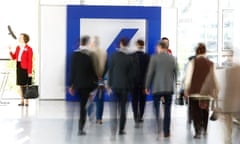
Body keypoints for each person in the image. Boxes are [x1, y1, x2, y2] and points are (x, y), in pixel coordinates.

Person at [145, 41, 177, 138]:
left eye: (157, 47)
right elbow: (176, 73)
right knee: (167, 110)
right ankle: (166, 132)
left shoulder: (154, 58)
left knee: (156, 108)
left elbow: (150, 73)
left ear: (160, 47)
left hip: (157, 88)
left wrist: (147, 86)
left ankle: (158, 128)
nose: (156, 49)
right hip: (168, 88)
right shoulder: (172, 58)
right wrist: (174, 85)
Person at [184, 43, 216, 139]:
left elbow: (188, 77)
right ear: (205, 51)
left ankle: (198, 131)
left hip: (194, 91)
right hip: (206, 93)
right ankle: (205, 129)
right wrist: (215, 90)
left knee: (195, 112)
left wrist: (186, 89)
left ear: (196, 52)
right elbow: (213, 78)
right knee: (205, 111)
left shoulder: (192, 63)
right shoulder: (211, 64)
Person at [68, 36, 98, 136]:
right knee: (83, 107)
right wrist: (94, 87)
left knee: (77, 106)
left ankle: (72, 128)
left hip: (77, 84)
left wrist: (71, 85)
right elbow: (93, 72)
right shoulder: (90, 55)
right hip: (86, 86)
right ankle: (80, 128)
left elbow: (72, 71)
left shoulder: (74, 55)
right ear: (88, 43)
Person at [108, 38, 135, 135]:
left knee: (113, 109)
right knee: (123, 109)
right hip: (125, 87)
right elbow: (132, 75)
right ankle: (121, 129)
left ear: (120, 44)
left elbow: (110, 71)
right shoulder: (130, 58)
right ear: (127, 45)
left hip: (114, 86)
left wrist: (109, 85)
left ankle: (113, 129)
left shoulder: (114, 56)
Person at [9, 33, 33, 107]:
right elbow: (14, 57)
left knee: (26, 85)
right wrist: (10, 50)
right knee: (20, 85)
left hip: (25, 68)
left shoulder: (29, 48)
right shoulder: (18, 47)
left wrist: (29, 72)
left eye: (21, 37)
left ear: (24, 39)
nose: (19, 38)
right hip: (19, 67)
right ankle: (22, 100)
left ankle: (27, 101)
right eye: (19, 37)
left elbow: (30, 61)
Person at [130, 40, 150, 126]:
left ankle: (135, 116)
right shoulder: (147, 57)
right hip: (144, 83)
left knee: (134, 100)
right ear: (143, 45)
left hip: (133, 82)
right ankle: (141, 116)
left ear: (136, 45)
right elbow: (149, 71)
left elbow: (129, 71)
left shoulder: (131, 56)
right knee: (143, 100)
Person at [90, 36, 107, 124]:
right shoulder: (104, 52)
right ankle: (99, 118)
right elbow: (106, 66)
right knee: (100, 100)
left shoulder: (90, 52)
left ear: (92, 43)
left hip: (92, 80)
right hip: (101, 79)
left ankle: (90, 116)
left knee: (90, 98)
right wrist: (101, 76)